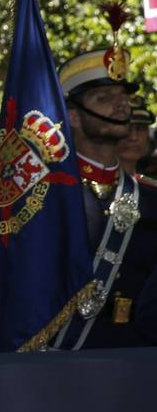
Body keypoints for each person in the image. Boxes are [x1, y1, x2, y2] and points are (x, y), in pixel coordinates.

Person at [57, 45, 157, 348]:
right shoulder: (47, 197)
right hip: (57, 363)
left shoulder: (151, 199)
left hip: (135, 361)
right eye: (104, 98)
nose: (121, 106)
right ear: (73, 116)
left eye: (123, 97)